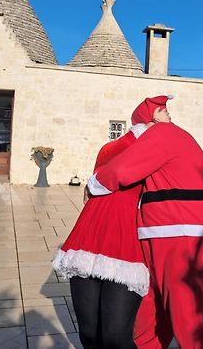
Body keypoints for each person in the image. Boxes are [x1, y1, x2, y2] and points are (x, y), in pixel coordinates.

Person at [87, 95, 203, 349]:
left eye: (163, 108)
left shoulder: (165, 134)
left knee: (189, 316)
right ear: (145, 122)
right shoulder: (170, 136)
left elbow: (121, 170)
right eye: (159, 109)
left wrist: (93, 183)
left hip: (181, 237)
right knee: (153, 313)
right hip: (170, 234)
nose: (165, 111)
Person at [52, 123, 149, 349]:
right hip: (89, 237)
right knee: (89, 333)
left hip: (128, 244)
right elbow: (93, 189)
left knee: (115, 337)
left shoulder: (162, 150)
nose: (167, 114)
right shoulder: (110, 148)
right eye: (163, 110)